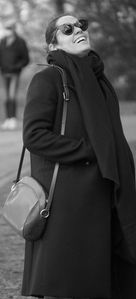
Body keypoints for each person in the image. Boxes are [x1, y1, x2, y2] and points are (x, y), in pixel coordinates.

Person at [22, 13, 136, 299]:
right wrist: (87, 151)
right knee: (69, 285)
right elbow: (34, 136)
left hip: (105, 190)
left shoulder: (100, 82)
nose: (78, 30)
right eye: (67, 29)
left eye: (81, 25)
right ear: (53, 46)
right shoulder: (48, 79)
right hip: (67, 200)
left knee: (104, 280)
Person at [0, 20, 29, 130]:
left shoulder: (20, 42)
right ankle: (7, 119)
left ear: (14, 29)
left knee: (12, 96)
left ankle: (13, 119)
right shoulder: (2, 41)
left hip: (14, 73)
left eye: (10, 28)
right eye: (6, 28)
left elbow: (25, 59)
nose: (8, 30)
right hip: (3, 73)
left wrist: (16, 66)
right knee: (6, 97)